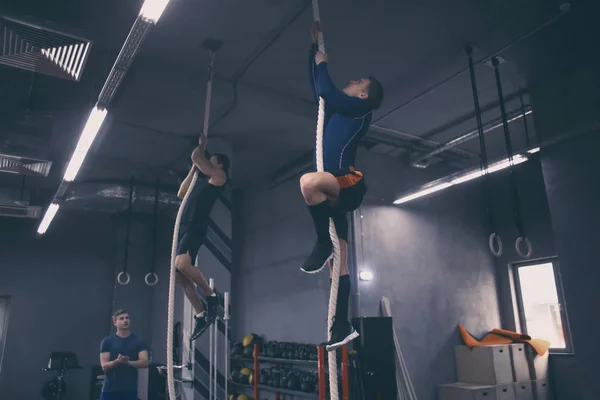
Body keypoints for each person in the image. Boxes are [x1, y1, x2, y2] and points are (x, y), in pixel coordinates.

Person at [301, 21, 384, 351]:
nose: (353, 81)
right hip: (333, 194)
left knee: (309, 182)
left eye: (359, 81)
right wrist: (313, 52)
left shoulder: (361, 110)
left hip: (347, 185)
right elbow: (317, 88)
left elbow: (326, 89)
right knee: (342, 262)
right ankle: (341, 325)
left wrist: (323, 61)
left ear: (364, 94)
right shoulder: (341, 108)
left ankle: (322, 242)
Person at [175, 134, 230, 341]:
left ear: (220, 165)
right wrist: (193, 170)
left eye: (212, 160)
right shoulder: (201, 183)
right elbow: (181, 193)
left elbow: (197, 156)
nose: (209, 162)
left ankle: (212, 296)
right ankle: (200, 314)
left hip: (196, 227)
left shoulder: (219, 178)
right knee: (179, 276)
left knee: (182, 264)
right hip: (185, 227)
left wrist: (202, 145)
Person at [99, 309, 149, 400]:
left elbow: (145, 362)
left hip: (129, 389)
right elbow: (104, 366)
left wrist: (128, 362)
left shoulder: (138, 341)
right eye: (121, 319)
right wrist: (117, 361)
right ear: (115, 323)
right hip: (110, 389)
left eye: (127, 318)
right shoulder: (107, 342)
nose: (125, 320)